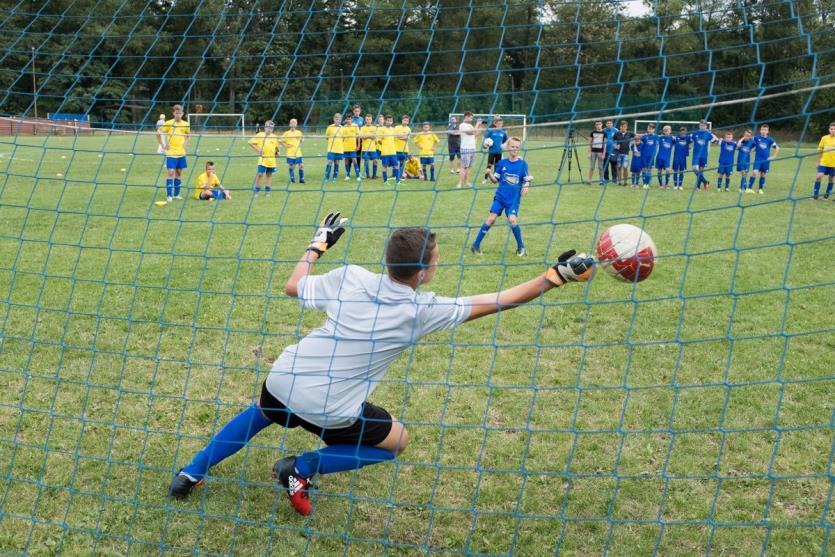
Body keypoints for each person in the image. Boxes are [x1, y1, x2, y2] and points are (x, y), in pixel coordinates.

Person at [167, 212, 595, 517]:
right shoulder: (422, 310)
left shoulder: (351, 275)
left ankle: (191, 471)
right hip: (331, 409)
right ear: (424, 272)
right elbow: (500, 300)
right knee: (397, 442)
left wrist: (318, 244)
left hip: (284, 375)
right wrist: (554, 276)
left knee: (262, 412)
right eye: (436, 258)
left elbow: (292, 285)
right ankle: (302, 467)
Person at [470, 137, 531, 257]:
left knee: (512, 220)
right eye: (512, 146)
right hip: (500, 197)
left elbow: (526, 179)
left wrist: (527, 185)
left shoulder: (522, 164)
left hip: (513, 199)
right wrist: (489, 173)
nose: (514, 149)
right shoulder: (502, 163)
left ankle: (521, 247)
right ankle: (475, 245)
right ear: (508, 148)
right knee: (491, 219)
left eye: (517, 147)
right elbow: (495, 180)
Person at [156, 104, 190, 202]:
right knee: (170, 172)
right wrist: (163, 145)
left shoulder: (186, 124)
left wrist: (185, 145)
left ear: (182, 114)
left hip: (181, 153)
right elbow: (158, 133)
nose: (178, 115)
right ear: (173, 113)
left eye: (180, 113)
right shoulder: (168, 123)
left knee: (179, 173)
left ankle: (177, 194)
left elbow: (188, 135)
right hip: (171, 153)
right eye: (176, 113)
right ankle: (169, 195)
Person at [249, 119, 279, 196]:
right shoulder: (260, 135)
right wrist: (259, 151)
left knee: (269, 175)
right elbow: (251, 143)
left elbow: (276, 148)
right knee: (260, 174)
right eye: (268, 127)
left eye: (271, 128)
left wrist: (277, 153)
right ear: (265, 127)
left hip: (271, 160)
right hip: (262, 160)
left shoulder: (274, 137)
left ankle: (267, 192)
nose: (269, 129)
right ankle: (257, 191)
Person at [748, 124, 779, 194]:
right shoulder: (756, 138)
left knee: (763, 174)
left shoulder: (770, 140)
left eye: (765, 130)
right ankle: (749, 188)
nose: (763, 131)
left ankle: (760, 189)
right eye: (762, 129)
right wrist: (750, 150)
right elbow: (752, 145)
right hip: (758, 159)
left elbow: (777, 148)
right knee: (755, 172)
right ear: (760, 130)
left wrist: (774, 156)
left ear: (767, 131)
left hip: (766, 160)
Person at [691, 120, 719, 190]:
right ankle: (706, 182)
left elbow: (716, 141)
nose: (702, 127)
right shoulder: (695, 133)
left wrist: (714, 136)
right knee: (695, 169)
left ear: (706, 126)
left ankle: (698, 187)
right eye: (701, 125)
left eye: (703, 125)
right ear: (699, 125)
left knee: (701, 171)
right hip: (696, 155)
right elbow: (689, 140)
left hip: (704, 155)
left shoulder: (708, 134)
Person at [457, 112, 483, 188]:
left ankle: (467, 182)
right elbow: (470, 132)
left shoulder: (471, 125)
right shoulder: (462, 125)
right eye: (471, 117)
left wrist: (480, 127)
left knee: (469, 166)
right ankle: (460, 183)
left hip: (473, 148)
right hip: (465, 148)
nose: (472, 119)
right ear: (466, 117)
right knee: (464, 166)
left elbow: (475, 134)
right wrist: (477, 124)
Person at [481, 118, 508, 184]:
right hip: (492, 152)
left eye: (501, 124)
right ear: (495, 124)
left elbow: (506, 140)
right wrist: (485, 144)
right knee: (489, 165)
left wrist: (504, 145)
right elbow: (485, 139)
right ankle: (485, 179)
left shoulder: (503, 132)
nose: (500, 125)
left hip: (499, 152)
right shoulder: (491, 131)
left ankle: (495, 178)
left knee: (498, 165)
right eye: (498, 124)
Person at [813, 122, 835, 200]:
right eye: (831, 129)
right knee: (819, 176)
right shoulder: (824, 138)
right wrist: (818, 161)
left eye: (834, 129)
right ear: (829, 130)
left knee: (831, 178)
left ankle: (827, 195)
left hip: (833, 164)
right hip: (823, 162)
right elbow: (820, 151)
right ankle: (815, 195)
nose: (833, 130)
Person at [282, 118, 305, 184]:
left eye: (294, 122)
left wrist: (299, 146)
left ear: (296, 124)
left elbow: (301, 140)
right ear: (289, 124)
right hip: (290, 153)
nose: (293, 124)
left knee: (301, 165)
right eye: (292, 122)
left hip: (298, 153)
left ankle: (301, 179)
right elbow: (281, 141)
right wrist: (286, 146)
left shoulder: (299, 132)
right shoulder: (286, 133)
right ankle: (292, 179)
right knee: (291, 166)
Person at [612, 120, 634, 186]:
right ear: (620, 127)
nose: (623, 128)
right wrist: (615, 146)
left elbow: (637, 137)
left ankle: (625, 182)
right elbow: (613, 141)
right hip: (618, 153)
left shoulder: (630, 133)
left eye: (624, 126)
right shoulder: (617, 134)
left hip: (626, 153)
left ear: (626, 127)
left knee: (625, 167)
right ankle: (619, 181)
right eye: (622, 126)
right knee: (618, 167)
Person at [379, 115, 399, 183]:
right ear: (385, 121)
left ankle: (398, 181)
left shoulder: (394, 129)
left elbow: (398, 137)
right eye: (388, 121)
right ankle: (385, 181)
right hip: (385, 152)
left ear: (392, 121)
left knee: (396, 165)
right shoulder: (382, 129)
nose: (389, 122)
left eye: (390, 121)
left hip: (393, 151)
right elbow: (379, 140)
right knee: (385, 166)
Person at [341, 114, 361, 181]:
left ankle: (358, 175)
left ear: (351, 119)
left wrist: (358, 145)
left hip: (353, 147)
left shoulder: (355, 126)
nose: (348, 120)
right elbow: (342, 138)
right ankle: (347, 175)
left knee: (354, 160)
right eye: (347, 119)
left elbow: (358, 136)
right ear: (346, 120)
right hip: (345, 147)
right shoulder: (344, 127)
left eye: (350, 119)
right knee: (346, 161)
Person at [324, 113, 344, 182]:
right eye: (336, 119)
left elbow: (343, 138)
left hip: (339, 149)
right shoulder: (330, 127)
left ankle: (335, 177)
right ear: (334, 119)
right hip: (331, 149)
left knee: (337, 162)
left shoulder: (342, 128)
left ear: (341, 120)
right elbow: (326, 137)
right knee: (329, 162)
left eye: (339, 119)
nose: (337, 120)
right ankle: (326, 177)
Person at [360, 114, 379, 180]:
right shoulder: (362, 128)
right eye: (367, 119)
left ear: (371, 120)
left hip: (373, 148)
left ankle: (374, 176)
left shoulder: (374, 128)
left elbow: (375, 137)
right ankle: (368, 175)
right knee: (366, 162)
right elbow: (361, 136)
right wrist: (370, 136)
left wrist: (367, 136)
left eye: (369, 119)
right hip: (365, 148)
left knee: (375, 161)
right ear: (365, 120)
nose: (368, 121)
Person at [587, 120, 607, 185]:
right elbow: (590, 143)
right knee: (592, 167)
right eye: (597, 124)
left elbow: (605, 144)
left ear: (602, 125)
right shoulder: (592, 133)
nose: (598, 126)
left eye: (599, 124)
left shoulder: (604, 133)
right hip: (593, 152)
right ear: (595, 125)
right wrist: (589, 152)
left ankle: (601, 180)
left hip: (600, 152)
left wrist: (604, 153)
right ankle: (589, 180)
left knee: (600, 167)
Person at [640, 123, 658, 189]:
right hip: (644, 155)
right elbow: (638, 141)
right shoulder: (644, 136)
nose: (649, 130)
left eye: (651, 129)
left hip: (651, 156)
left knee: (649, 170)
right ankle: (644, 183)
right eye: (648, 128)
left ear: (654, 129)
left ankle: (648, 183)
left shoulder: (656, 137)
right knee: (644, 169)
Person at [601, 119, 617, 183]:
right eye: (608, 123)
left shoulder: (616, 130)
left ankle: (614, 179)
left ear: (612, 124)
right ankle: (606, 179)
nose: (609, 124)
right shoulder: (603, 131)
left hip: (613, 151)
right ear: (606, 124)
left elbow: (618, 139)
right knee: (605, 166)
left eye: (610, 123)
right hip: (605, 151)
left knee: (614, 166)